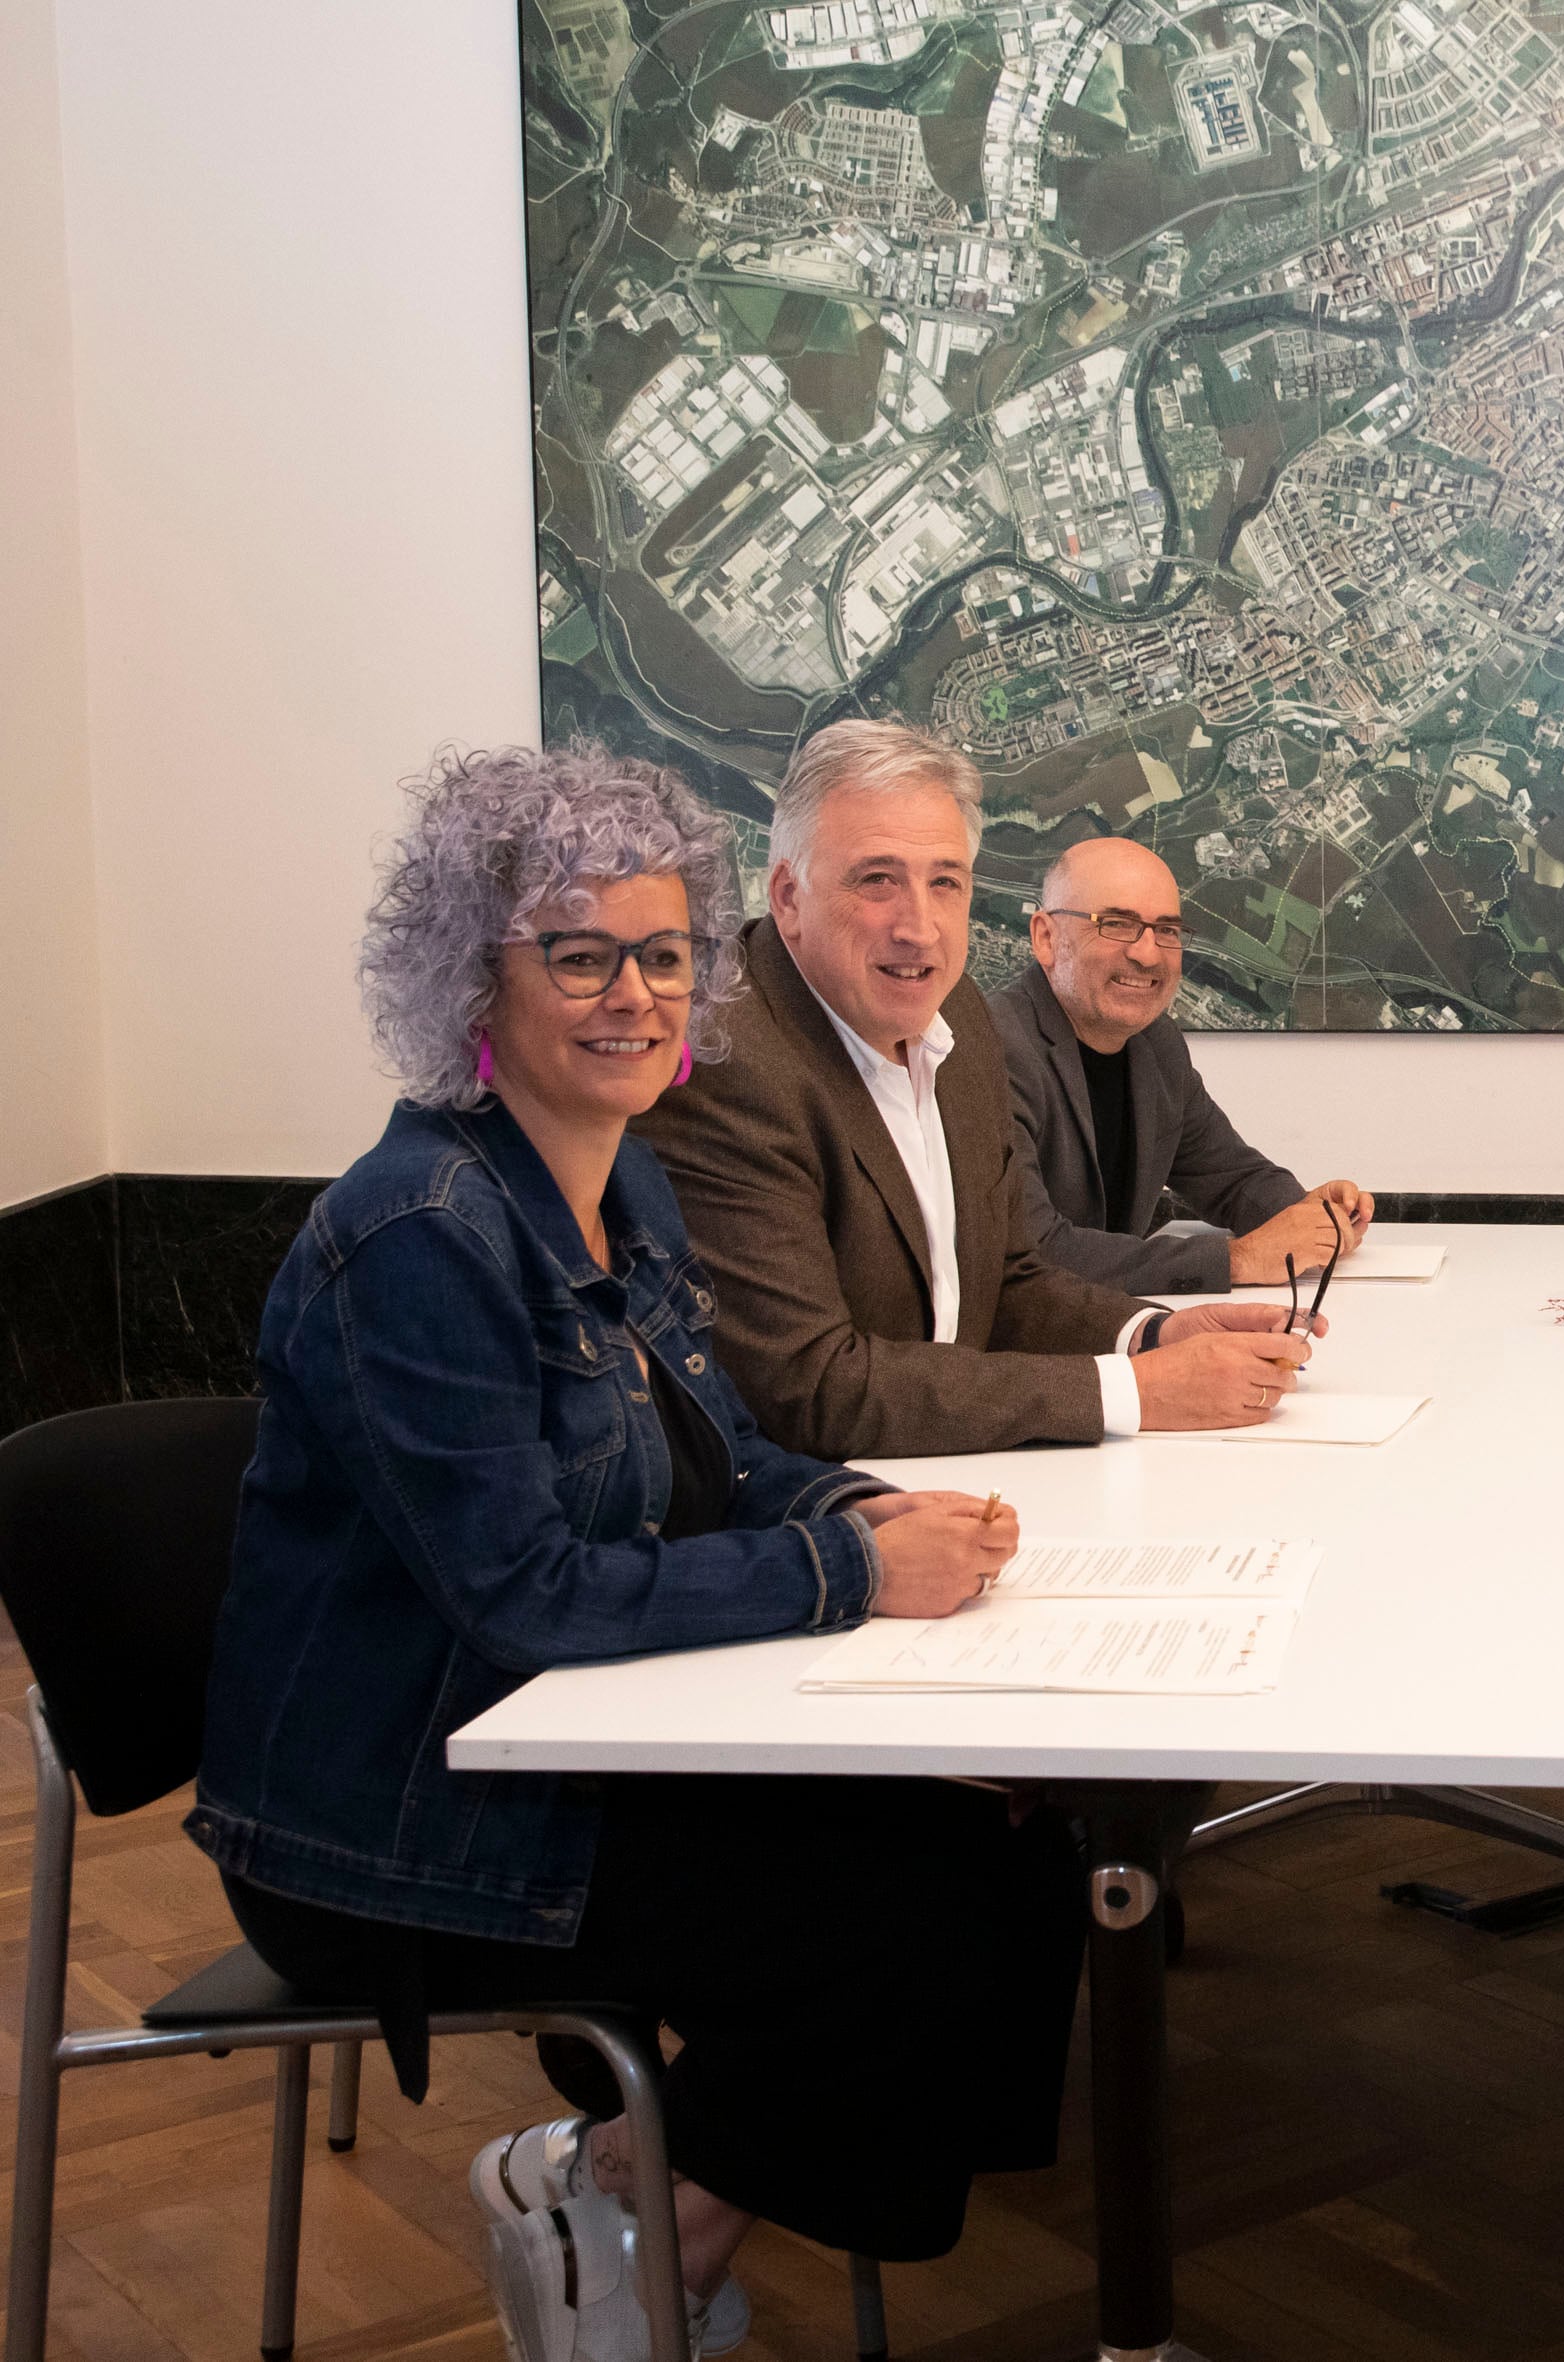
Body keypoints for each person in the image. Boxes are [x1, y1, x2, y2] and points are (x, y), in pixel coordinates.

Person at [185, 745, 1058, 2362]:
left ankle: (636, 2193)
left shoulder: (617, 1178)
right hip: (397, 1821)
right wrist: (854, 1576)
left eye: (662, 953)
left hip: (555, 1750)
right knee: (910, 1923)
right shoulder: (420, 1229)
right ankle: (616, 2202)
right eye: (577, 955)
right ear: (471, 975)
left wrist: (856, 1503)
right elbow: (521, 1594)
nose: (635, 995)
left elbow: (716, 1455)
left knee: (1008, 1842)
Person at [635, 721, 1317, 1458]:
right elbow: (811, 1388)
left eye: (945, 882)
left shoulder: (952, 1011)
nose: (920, 928)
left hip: (953, 1476)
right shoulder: (723, 1059)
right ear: (788, 896)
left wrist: (1153, 1332)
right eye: (877, 880)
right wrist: (1136, 1393)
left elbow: (1006, 1280)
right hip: (816, 1513)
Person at [990, 834, 1375, 1294]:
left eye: (1167, 930)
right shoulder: (992, 1049)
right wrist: (1241, 1260)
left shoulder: (1156, 1043)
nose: (1148, 953)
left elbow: (1231, 1177)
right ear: (1045, 937)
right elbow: (1034, 1250)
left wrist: (1308, 1214)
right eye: (1116, 923)